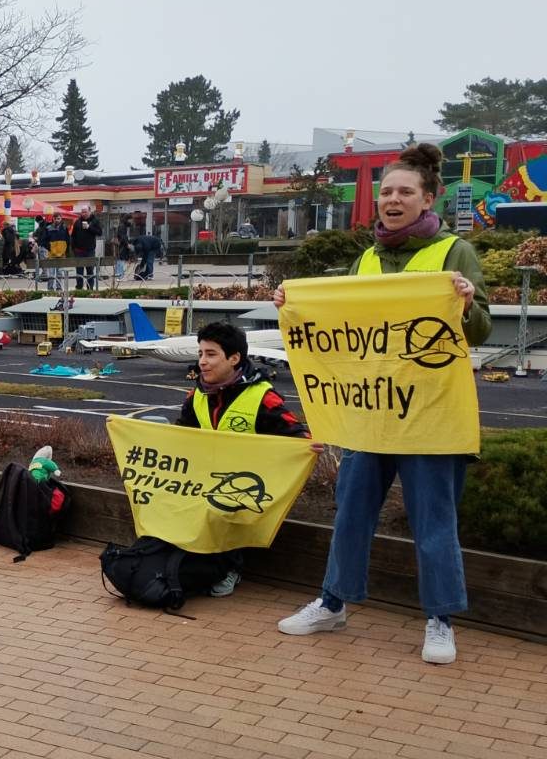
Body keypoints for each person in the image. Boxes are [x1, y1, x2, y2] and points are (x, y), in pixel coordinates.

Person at [274, 143, 490, 665]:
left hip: (430, 414)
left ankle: (440, 619)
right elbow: (344, 327)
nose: (393, 199)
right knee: (351, 512)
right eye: (387, 191)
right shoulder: (367, 258)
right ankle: (333, 602)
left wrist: (465, 303)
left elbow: (480, 329)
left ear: (428, 198)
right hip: (370, 411)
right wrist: (294, 307)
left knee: (433, 520)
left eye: (405, 192)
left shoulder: (454, 252)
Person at [176, 321, 313, 597]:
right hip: (203, 479)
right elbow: (178, 435)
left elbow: (296, 434)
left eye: (211, 354)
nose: (202, 361)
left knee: (224, 507)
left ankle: (230, 567)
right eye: (200, 353)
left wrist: (308, 445)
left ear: (234, 358)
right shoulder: (196, 396)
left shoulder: (262, 397)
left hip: (245, 486)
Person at [70, 210, 101, 290]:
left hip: (90, 250)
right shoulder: (77, 222)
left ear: (89, 212)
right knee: (79, 271)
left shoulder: (95, 221)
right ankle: (79, 288)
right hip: (78, 251)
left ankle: (90, 288)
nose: (83, 213)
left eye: (85, 212)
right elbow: (73, 236)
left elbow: (99, 232)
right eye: (82, 212)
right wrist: (73, 248)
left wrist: (89, 227)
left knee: (90, 270)